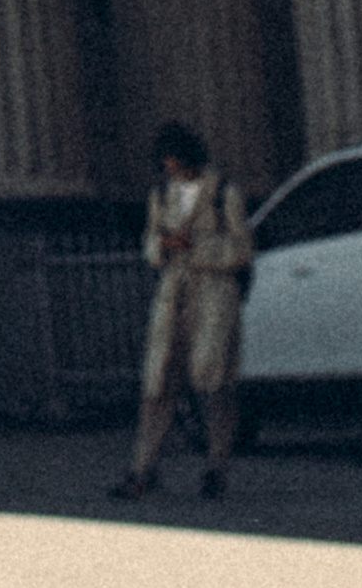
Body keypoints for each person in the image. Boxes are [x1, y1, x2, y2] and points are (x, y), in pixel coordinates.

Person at [111, 123, 253, 500]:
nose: (173, 169)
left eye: (177, 162)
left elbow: (241, 249)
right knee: (158, 381)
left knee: (214, 379)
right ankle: (143, 467)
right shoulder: (161, 194)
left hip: (213, 293)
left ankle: (216, 465)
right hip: (174, 292)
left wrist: (196, 246)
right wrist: (163, 246)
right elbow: (150, 243)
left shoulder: (224, 193)